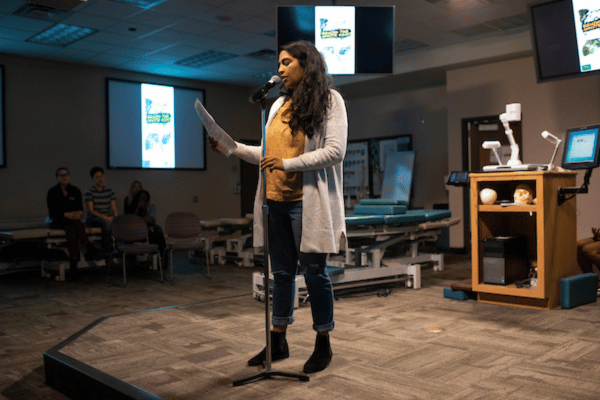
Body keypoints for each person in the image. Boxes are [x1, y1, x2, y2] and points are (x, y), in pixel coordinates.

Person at [209, 40, 347, 374]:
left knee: (315, 273)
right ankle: (278, 339)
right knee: (282, 274)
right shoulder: (276, 105)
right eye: (279, 64)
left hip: (307, 203)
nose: (280, 69)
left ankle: (323, 342)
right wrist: (233, 148)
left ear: (306, 63)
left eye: (286, 63)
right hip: (275, 201)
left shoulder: (331, 100)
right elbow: (268, 155)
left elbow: (334, 152)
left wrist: (287, 164)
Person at [47, 167, 101, 279]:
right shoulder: (52, 192)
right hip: (58, 221)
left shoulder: (75, 190)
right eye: (61, 175)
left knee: (71, 228)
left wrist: (79, 213)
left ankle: (74, 263)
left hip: (72, 222)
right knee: (72, 223)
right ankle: (87, 245)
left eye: (66, 174)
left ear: (69, 176)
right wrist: (66, 214)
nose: (64, 177)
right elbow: (53, 211)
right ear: (57, 178)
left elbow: (80, 207)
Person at [84, 167, 118, 256]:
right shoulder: (89, 192)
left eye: (101, 176)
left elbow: (113, 207)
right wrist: (105, 218)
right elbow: (91, 210)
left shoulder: (109, 191)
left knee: (118, 222)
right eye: (97, 177)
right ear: (93, 179)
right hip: (94, 218)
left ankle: (119, 249)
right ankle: (106, 250)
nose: (100, 179)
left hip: (107, 217)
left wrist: (115, 216)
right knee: (106, 223)